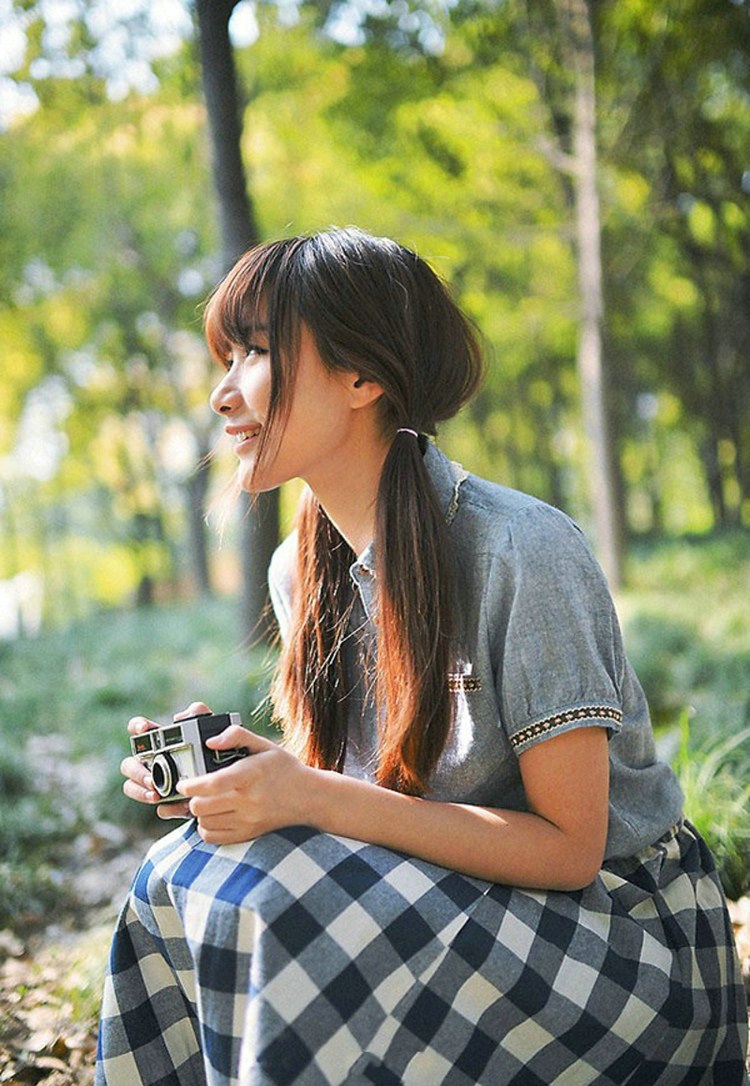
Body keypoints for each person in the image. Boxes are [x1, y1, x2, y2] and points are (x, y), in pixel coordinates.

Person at [96, 227, 748, 1086]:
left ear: (363, 377)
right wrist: (252, 783)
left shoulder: (522, 549)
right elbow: (361, 799)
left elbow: (570, 851)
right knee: (178, 871)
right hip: (454, 899)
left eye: (255, 353)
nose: (222, 394)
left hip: (620, 938)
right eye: (226, 358)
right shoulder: (300, 570)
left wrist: (310, 797)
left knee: (298, 916)